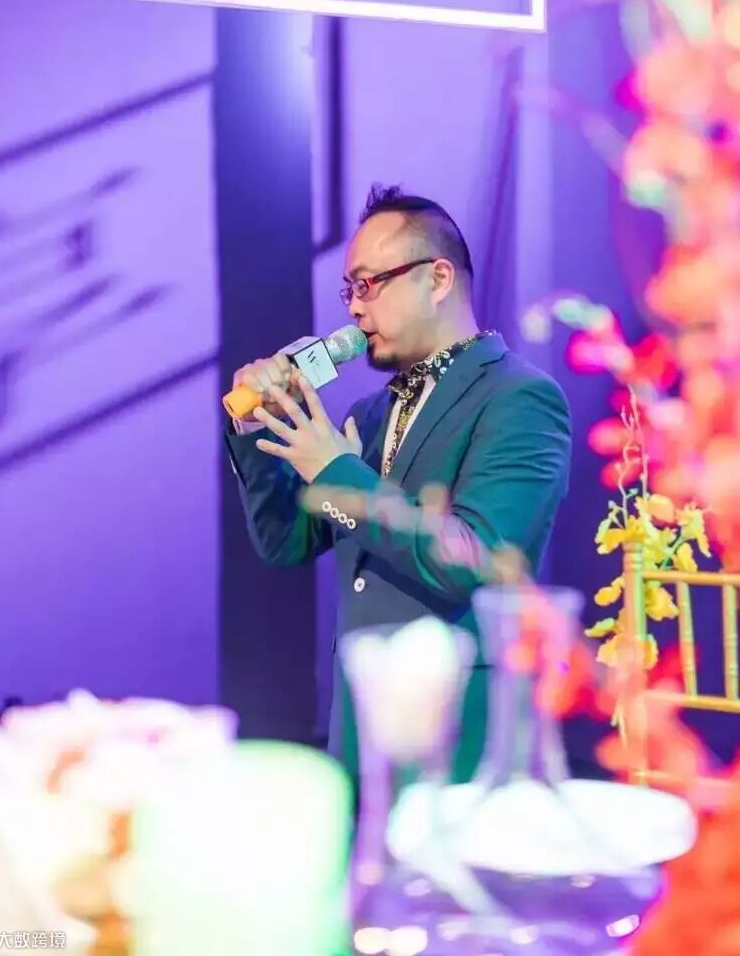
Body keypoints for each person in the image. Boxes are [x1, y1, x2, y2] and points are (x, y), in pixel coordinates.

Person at [224, 185, 571, 781]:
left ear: (437, 279)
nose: (355, 310)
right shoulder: (371, 415)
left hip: (461, 739)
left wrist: (338, 473)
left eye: (369, 284)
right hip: (362, 733)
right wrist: (257, 425)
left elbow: (480, 557)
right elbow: (284, 542)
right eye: (349, 290)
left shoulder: (520, 397)